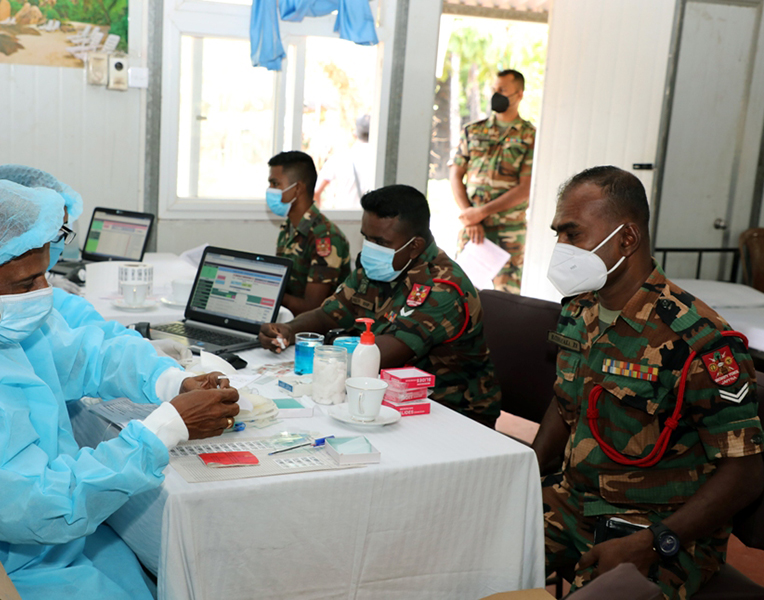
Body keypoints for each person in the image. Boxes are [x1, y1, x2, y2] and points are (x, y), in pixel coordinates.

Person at [0, 180, 240, 600]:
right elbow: (37, 508)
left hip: (34, 542)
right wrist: (165, 430)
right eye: (25, 285)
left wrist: (169, 379)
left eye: (45, 274)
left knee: (142, 560)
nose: (43, 293)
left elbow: (83, 354)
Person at [532, 166, 764, 598]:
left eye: (572, 234)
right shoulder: (579, 311)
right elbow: (566, 403)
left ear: (627, 239)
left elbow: (745, 473)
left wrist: (654, 542)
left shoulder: (697, 341)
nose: (560, 248)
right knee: (469, 548)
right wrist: (524, 476)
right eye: (557, 235)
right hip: (574, 502)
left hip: (656, 529)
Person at [259, 184, 502, 427]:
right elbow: (329, 314)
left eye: (381, 241)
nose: (370, 249)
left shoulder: (442, 288)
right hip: (385, 397)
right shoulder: (382, 266)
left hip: (450, 413)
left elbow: (380, 357)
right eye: (367, 238)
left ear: (415, 245)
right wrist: (289, 330)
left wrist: (324, 351)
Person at [0, 164, 142, 340]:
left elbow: (93, 338)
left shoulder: (50, 300)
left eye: (61, 228)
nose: (56, 240)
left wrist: (145, 346)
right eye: (51, 229)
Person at [449, 69, 535, 295]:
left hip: (510, 232)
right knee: (462, 295)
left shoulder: (530, 136)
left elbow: (525, 188)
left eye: (503, 90)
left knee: (507, 300)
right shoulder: (473, 131)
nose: (496, 94)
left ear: (519, 95)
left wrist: (482, 212)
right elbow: (455, 174)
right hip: (473, 229)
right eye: (494, 89)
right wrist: (471, 215)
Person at [268, 151, 351, 315]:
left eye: (275, 184)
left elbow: (313, 308)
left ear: (297, 188)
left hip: (317, 331)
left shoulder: (325, 237)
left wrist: (270, 293)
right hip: (290, 320)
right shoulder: (288, 228)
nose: (270, 190)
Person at [314, 114, 375, 209]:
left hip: (344, 219)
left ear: (355, 134)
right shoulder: (383, 161)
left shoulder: (339, 158)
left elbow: (316, 192)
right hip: (373, 219)